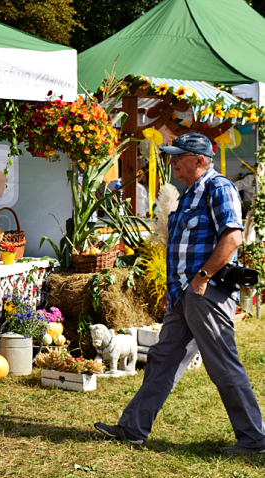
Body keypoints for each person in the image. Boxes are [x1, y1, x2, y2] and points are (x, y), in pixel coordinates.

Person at [94, 133, 265, 453]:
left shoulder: (219, 188)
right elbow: (180, 248)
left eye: (178, 156)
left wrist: (202, 278)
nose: (171, 161)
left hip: (207, 293)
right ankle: (132, 428)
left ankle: (254, 438)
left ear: (200, 160)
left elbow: (233, 238)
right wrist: (173, 291)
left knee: (223, 365)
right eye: (171, 156)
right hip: (184, 295)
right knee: (161, 360)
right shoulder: (187, 195)